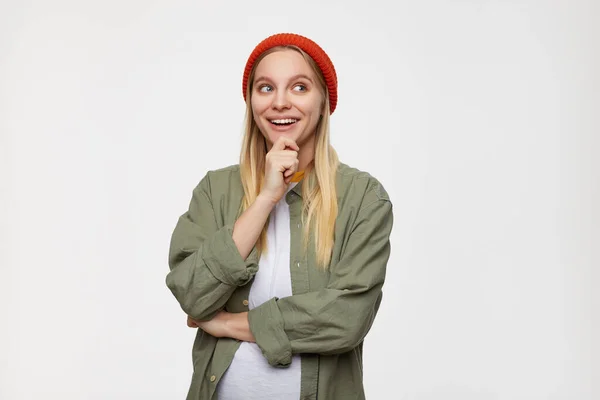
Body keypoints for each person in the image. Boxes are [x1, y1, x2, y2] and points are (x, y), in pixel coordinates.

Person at [166, 32, 394, 400]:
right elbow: (191, 293)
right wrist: (266, 198)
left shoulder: (363, 197)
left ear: (324, 103)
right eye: (266, 88)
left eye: (300, 87)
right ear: (251, 102)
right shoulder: (215, 190)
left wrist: (225, 323)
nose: (281, 103)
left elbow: (346, 319)